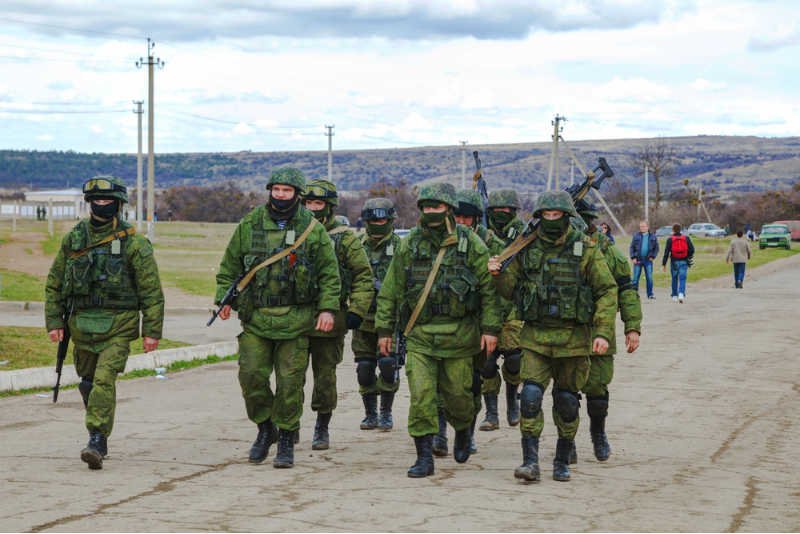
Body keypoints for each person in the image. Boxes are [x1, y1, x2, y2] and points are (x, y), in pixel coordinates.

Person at [214, 167, 341, 469]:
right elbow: (229, 267)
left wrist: (326, 309)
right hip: (256, 317)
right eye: (276, 190)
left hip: (296, 319)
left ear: (297, 194)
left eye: (287, 191)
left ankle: (286, 438)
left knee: (289, 383)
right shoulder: (250, 224)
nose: (280, 195)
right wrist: (224, 299)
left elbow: (329, 274)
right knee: (252, 376)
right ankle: (264, 428)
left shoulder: (312, 230)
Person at [488, 191, 617, 482]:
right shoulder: (526, 248)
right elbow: (509, 290)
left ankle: (562, 458)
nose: (550, 220)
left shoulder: (585, 249)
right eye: (545, 215)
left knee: (567, 401)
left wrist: (603, 332)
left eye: (556, 215)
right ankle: (530, 462)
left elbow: (607, 290)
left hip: (574, 340)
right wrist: (497, 274)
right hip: (536, 337)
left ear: (567, 217)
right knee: (531, 396)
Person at [375, 183, 501, 478]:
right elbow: (391, 290)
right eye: (427, 207)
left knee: (459, 396)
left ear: (449, 209)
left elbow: (488, 291)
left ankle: (463, 431)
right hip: (420, 336)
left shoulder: (470, 243)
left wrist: (491, 329)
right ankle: (424, 456)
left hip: (460, 337)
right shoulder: (411, 244)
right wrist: (384, 330)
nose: (431, 212)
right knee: (422, 396)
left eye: (437, 207)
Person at [45, 176, 164, 470]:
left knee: (103, 380)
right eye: (96, 201)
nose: (102, 205)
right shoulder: (74, 239)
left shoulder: (134, 243)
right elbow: (55, 284)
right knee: (87, 382)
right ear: (89, 203)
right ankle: (99, 433)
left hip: (118, 325)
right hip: (81, 324)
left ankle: (96, 438)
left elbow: (151, 290)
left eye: (108, 200)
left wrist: (151, 330)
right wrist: (54, 321)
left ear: (119, 204)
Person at [431, 188, 507, 456]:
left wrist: (492, 327)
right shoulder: (442, 241)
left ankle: (467, 433)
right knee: (441, 382)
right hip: (448, 326)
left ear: (477, 219)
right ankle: (439, 434)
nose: (462, 222)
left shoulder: (491, 245)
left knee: (472, 383)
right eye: (458, 217)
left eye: (468, 218)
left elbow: (502, 291)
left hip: (478, 326)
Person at [302, 179, 372, 450]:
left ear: (329, 207)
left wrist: (356, 311)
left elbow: (363, 276)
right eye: (307, 203)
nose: (311, 208)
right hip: (294, 317)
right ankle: (288, 425)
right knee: (291, 376)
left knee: (324, 377)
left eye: (317, 203)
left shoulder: (344, 237)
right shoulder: (292, 233)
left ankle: (322, 426)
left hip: (330, 320)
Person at [573, 199, 641, 463]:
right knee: (566, 390)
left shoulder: (607, 252)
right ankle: (566, 441)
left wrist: (632, 327)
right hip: (565, 330)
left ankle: (598, 433)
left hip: (599, 328)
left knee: (597, 387)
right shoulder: (558, 248)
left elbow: (626, 290)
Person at [351, 198, 403, 432]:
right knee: (364, 367)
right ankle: (370, 413)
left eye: (382, 219)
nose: (378, 223)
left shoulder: (401, 246)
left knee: (388, 364)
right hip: (363, 316)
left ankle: (386, 412)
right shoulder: (356, 246)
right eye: (373, 220)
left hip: (389, 318)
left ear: (390, 220)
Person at [482, 189, 526, 431]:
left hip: (513, 306)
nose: (501, 214)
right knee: (486, 363)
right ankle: (490, 412)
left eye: (505, 210)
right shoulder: (482, 234)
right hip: (488, 304)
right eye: (496, 211)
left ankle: (512, 403)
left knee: (514, 360)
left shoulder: (523, 234)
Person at [662, 223, 694, 303]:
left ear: (673, 230)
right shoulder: (686, 238)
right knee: (682, 278)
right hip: (684, 261)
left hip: (674, 262)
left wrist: (664, 264)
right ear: (681, 230)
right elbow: (692, 249)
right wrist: (688, 257)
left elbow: (666, 252)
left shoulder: (670, 239)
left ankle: (674, 295)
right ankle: (681, 294)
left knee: (674, 278)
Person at [630, 220, 659, 299]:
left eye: (643, 226)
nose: (641, 228)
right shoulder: (636, 236)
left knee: (649, 278)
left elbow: (656, 248)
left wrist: (653, 256)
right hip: (638, 260)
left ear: (647, 227)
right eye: (640, 227)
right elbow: (632, 247)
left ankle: (650, 294)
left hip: (648, 261)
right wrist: (633, 257)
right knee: (635, 279)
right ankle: (634, 295)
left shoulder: (653, 236)